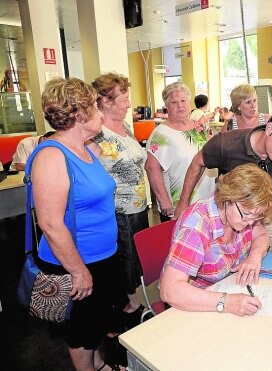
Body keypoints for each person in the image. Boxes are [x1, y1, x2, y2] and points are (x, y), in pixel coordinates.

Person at [29, 77, 125, 371]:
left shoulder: (84, 148)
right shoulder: (52, 157)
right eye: (96, 106)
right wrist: (78, 271)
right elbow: (50, 223)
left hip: (101, 257)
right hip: (77, 262)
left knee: (94, 327)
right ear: (80, 114)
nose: (100, 112)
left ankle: (100, 365)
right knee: (80, 334)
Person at [174, 108, 272, 268]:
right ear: (270, 128)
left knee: (265, 263)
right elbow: (197, 163)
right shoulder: (226, 143)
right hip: (229, 215)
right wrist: (183, 202)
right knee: (221, 265)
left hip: (262, 216)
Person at [160, 164, 272, 315]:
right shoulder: (196, 226)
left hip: (225, 286)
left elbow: (261, 235)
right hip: (194, 301)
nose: (251, 223)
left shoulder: (245, 214)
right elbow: (170, 291)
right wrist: (228, 303)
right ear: (227, 199)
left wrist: (254, 256)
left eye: (257, 216)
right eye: (247, 214)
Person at [89, 72, 149, 315]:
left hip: (139, 205)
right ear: (105, 101)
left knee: (136, 257)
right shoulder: (96, 132)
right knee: (125, 258)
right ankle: (126, 305)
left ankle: (132, 297)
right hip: (118, 208)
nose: (128, 103)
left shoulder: (124, 125)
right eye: (122, 98)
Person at [145, 82, 216, 221]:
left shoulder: (199, 127)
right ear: (167, 107)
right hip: (179, 204)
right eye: (174, 102)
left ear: (189, 102)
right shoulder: (160, 134)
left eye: (183, 100)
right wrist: (163, 200)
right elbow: (151, 168)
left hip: (207, 199)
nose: (180, 105)